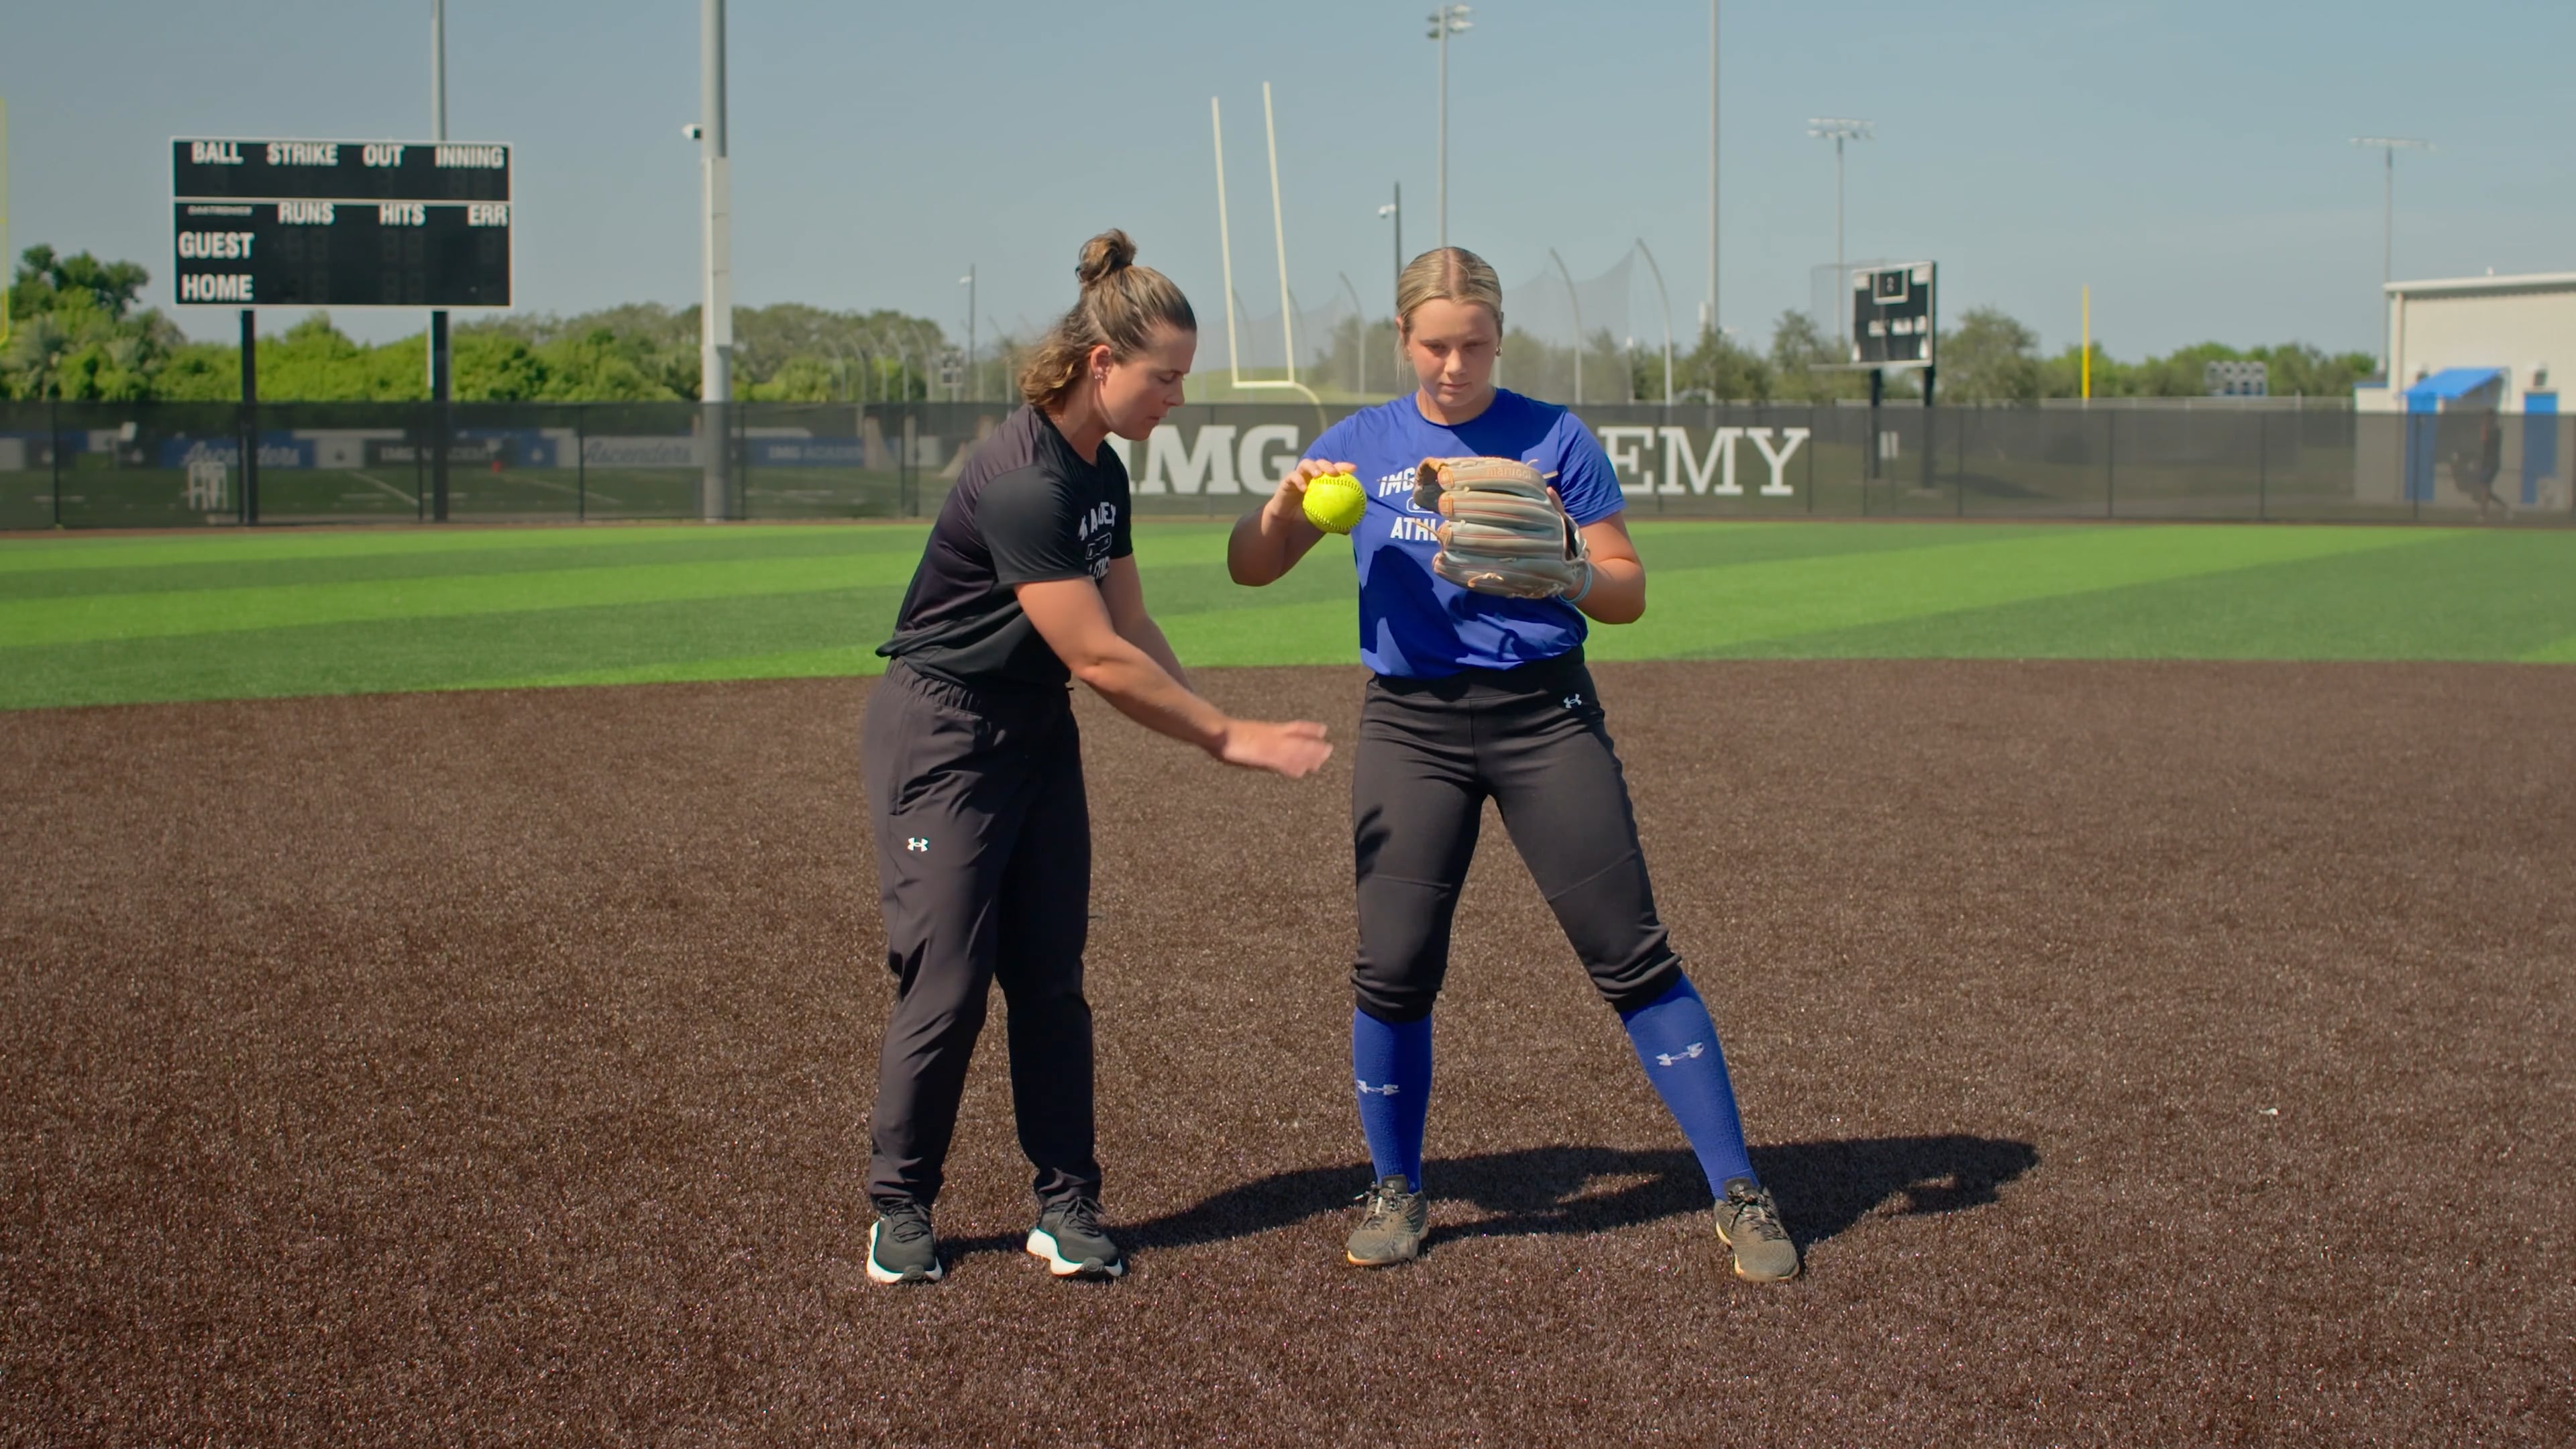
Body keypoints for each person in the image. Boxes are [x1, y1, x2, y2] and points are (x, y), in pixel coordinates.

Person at [1224, 246, 1800, 1282]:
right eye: (1436, 345)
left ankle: (1738, 1188)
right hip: (1411, 726)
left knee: (1630, 953)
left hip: (1545, 716)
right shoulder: (1359, 445)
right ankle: (1396, 1184)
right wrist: (1282, 504)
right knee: (1392, 967)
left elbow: (1627, 591)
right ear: (1403, 340)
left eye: (1475, 345)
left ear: (1499, 338)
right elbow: (1251, 566)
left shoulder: (1552, 436)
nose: (1455, 365)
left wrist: (1572, 565)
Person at [862, 230, 1332, 1286]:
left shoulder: (1102, 470)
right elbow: (1097, 656)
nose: (1176, 397)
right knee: (948, 979)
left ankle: (1065, 1201)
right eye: (1164, 377)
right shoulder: (1024, 479)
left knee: (1050, 977)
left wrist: (1214, 713)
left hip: (1033, 732)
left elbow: (1130, 621)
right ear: (1102, 365)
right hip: (943, 736)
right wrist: (1225, 738)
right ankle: (900, 1206)